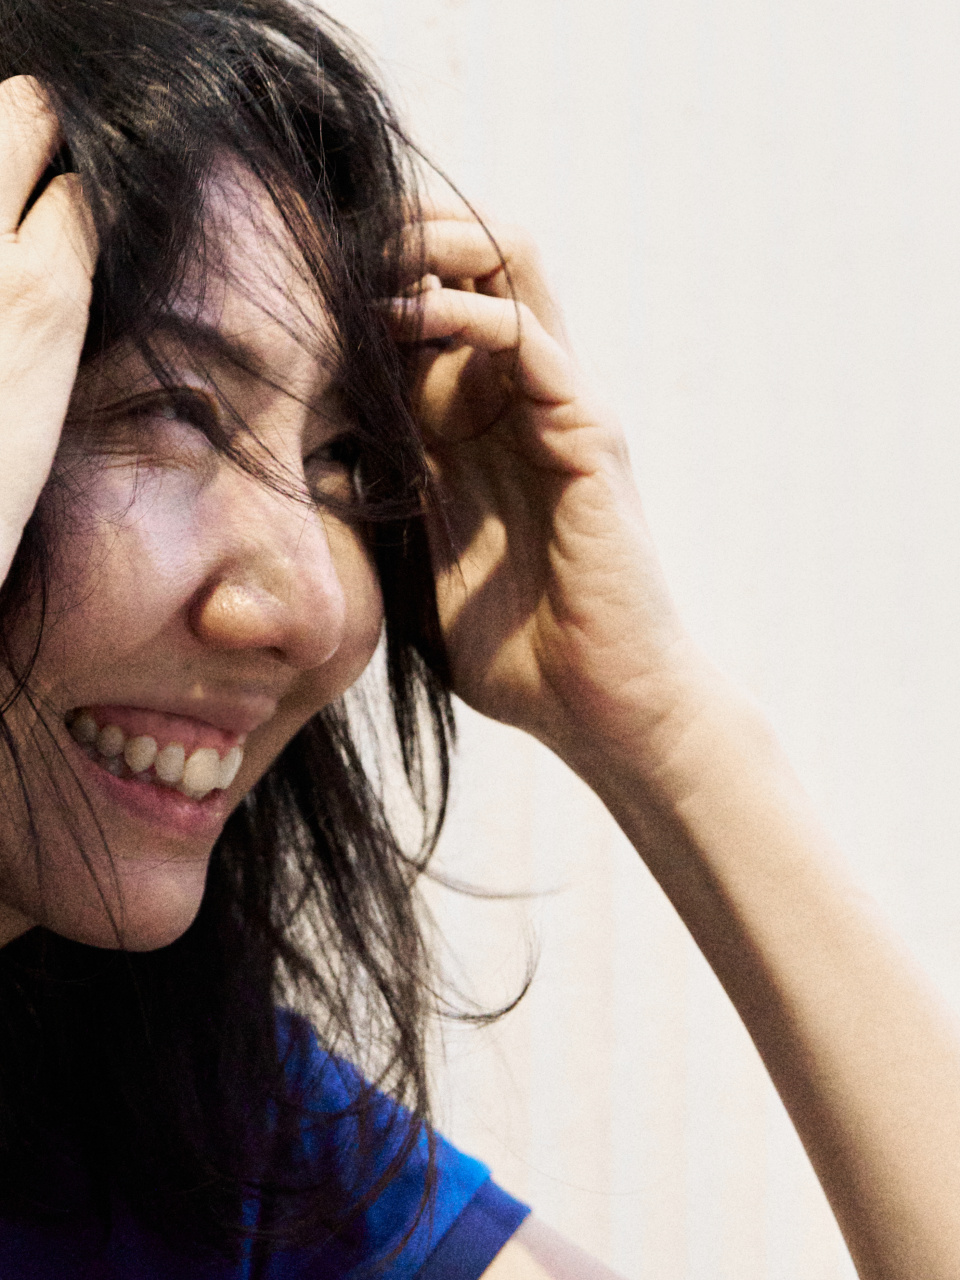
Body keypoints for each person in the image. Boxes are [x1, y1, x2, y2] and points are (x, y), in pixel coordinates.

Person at [1, 1, 960, 1278]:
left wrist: (668, 733)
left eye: (343, 457)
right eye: (171, 410)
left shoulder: (220, 1152)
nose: (313, 608)